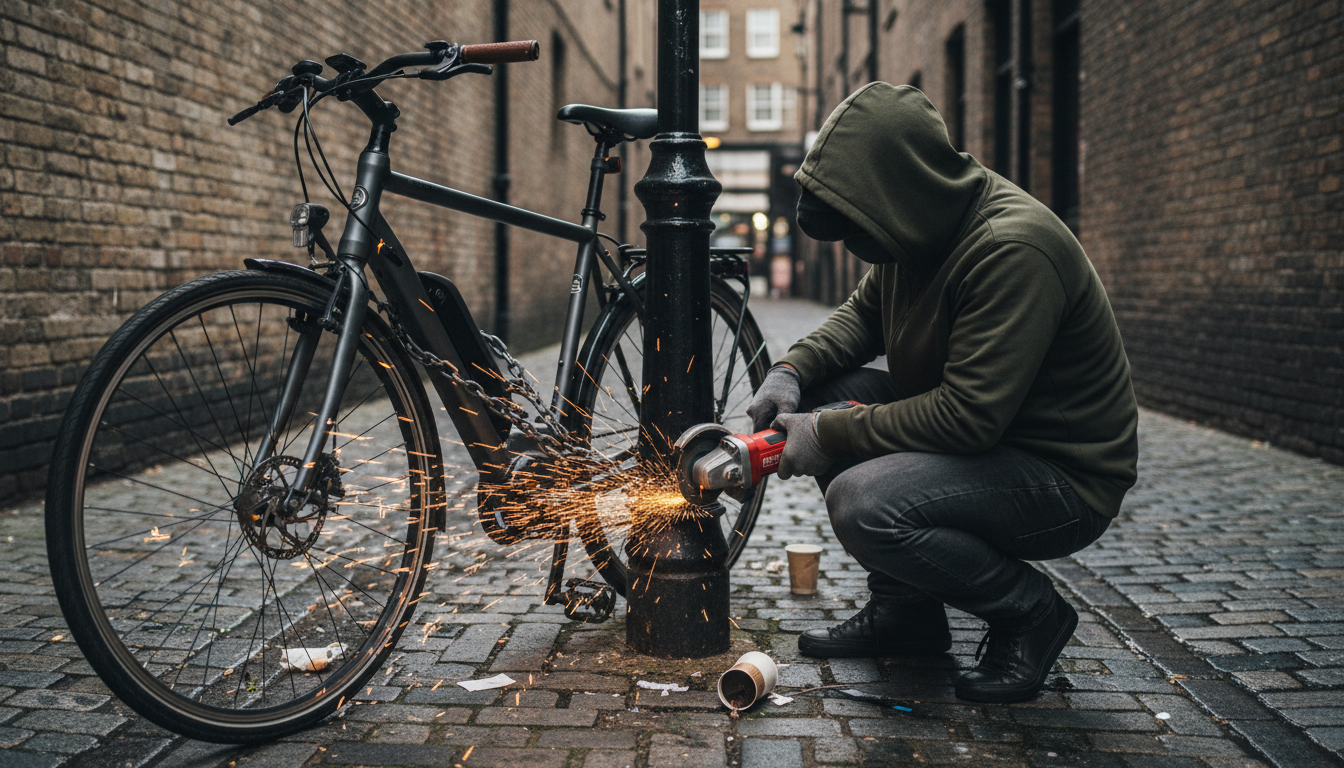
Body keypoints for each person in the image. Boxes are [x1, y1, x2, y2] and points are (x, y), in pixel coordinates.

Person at [747, 83, 1138, 704]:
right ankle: (908, 613)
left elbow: (968, 417)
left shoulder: (1012, 248)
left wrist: (826, 434)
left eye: (858, 230)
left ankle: (1031, 614)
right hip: (991, 440)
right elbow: (861, 318)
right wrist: (792, 370)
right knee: (827, 391)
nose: (855, 247)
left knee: (863, 502)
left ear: (896, 191)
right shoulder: (919, 227)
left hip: (1061, 476)